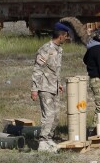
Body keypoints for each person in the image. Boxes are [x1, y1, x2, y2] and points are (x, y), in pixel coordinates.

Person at [31, 22, 70, 152]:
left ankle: (49, 138)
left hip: (54, 87)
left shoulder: (59, 50)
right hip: (44, 86)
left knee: (56, 116)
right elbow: (37, 69)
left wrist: (59, 84)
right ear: (61, 36)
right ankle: (42, 142)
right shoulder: (45, 49)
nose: (66, 38)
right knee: (48, 115)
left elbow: (55, 70)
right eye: (66, 36)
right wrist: (34, 89)